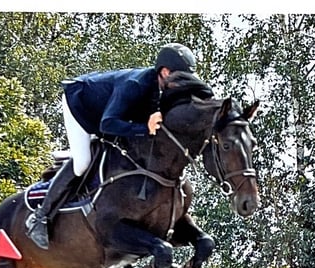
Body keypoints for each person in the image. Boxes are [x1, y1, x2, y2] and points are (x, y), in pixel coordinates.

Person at [25, 43, 198, 249]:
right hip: (80, 106)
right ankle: (39, 217)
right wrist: (145, 128)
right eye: (181, 79)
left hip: (104, 113)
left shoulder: (156, 88)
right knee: (82, 162)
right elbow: (107, 124)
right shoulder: (135, 85)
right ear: (165, 72)